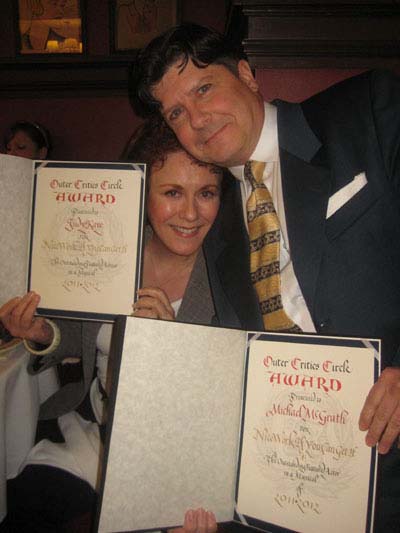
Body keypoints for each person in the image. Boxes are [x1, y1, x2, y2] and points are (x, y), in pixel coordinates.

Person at [129, 23, 400, 532]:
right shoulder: (214, 228)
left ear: (249, 75)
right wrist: (190, 492)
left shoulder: (364, 111)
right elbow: (229, 374)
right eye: (177, 113)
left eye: (203, 89)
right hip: (289, 475)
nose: (198, 120)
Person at [0, 118, 220, 533]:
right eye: (172, 192)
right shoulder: (111, 249)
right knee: (28, 505)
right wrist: (41, 333)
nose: (191, 213)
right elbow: (74, 330)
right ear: (142, 195)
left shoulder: (230, 277)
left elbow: (224, 405)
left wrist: (172, 348)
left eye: (206, 193)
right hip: (95, 434)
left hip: (176, 452)